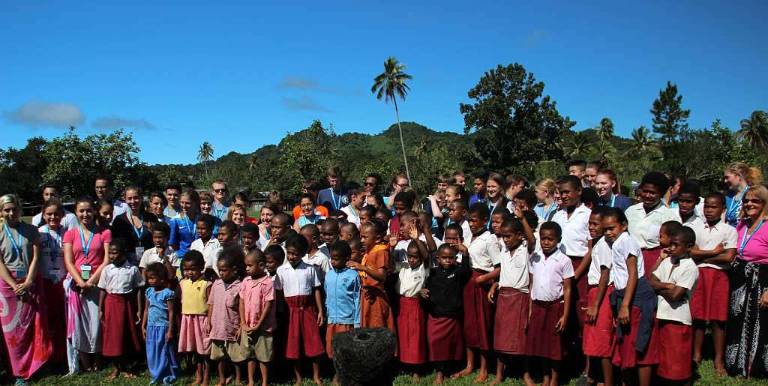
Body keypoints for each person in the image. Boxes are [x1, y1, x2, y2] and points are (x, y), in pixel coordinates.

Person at [603, 208, 658, 386]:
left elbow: (632, 273)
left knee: (637, 344)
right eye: (605, 229)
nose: (608, 233)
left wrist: (625, 305)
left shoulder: (626, 241)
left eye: (612, 228)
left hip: (635, 297)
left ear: (624, 226)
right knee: (626, 344)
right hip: (625, 295)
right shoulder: (617, 243)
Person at [0, 194, 51, 384]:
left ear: (20, 209)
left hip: (30, 282)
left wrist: (29, 281)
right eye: (7, 210)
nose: (11, 213)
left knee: (30, 327)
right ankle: (18, 371)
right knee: (12, 332)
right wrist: (14, 285)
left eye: (14, 209)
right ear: (1, 212)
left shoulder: (31, 230)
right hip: (8, 287)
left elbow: (36, 257)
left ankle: (34, 365)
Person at [687, 193, 736, 374]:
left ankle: (718, 359)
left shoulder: (729, 230)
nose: (709, 210)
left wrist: (703, 253)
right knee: (698, 316)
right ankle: (696, 355)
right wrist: (715, 252)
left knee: (718, 319)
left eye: (713, 207)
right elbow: (690, 251)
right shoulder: (695, 227)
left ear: (723, 209)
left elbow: (729, 257)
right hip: (699, 274)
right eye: (706, 206)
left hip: (719, 276)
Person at [63, 196, 111, 373]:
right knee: (79, 324)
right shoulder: (70, 233)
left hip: (97, 283)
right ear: (75, 212)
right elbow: (69, 261)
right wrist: (80, 282)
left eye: (89, 210)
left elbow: (106, 259)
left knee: (97, 323)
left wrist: (90, 281)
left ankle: (98, 360)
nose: (85, 214)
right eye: (81, 210)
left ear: (94, 211)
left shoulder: (104, 233)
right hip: (76, 284)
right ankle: (85, 362)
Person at [487, 215, 536, 386]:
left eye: (509, 236)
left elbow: (532, 240)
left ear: (519, 235)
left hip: (520, 298)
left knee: (522, 339)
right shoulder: (504, 250)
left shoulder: (525, 249)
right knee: (501, 338)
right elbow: (504, 273)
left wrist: (523, 219)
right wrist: (495, 285)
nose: (506, 240)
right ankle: (500, 374)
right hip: (504, 298)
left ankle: (525, 374)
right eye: (503, 236)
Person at [726, 185, 768, 377]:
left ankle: (756, 367)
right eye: (746, 200)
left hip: (762, 280)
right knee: (738, 321)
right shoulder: (742, 224)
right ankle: (736, 365)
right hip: (741, 278)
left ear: (764, 203)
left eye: (755, 200)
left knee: (760, 324)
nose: (749, 204)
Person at [455, 203, 500, 382]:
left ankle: (484, 368)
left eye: (475, 220)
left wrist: (484, 278)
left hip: (481, 283)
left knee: (482, 325)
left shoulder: (490, 239)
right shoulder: (468, 235)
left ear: (484, 220)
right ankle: (469, 364)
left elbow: (499, 267)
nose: (471, 224)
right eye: (469, 220)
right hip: (467, 282)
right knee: (469, 325)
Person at [526, 222, 574, 386]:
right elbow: (532, 284)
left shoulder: (564, 260)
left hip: (555, 307)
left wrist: (565, 315)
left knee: (555, 346)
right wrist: (530, 309)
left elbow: (567, 289)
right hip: (538, 306)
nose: (546, 242)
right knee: (541, 345)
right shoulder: (535, 257)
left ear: (558, 240)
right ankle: (545, 376)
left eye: (550, 239)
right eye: (543, 239)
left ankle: (554, 379)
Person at [649, 226, 699, 383]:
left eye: (675, 245)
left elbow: (676, 296)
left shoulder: (690, 267)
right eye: (670, 244)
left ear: (689, 247)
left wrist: (660, 288)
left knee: (677, 359)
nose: (670, 248)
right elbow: (651, 281)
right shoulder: (668, 262)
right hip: (662, 315)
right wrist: (667, 286)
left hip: (678, 318)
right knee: (664, 356)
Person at [274, 235, 324, 385]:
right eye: (289, 253)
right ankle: (298, 377)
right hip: (291, 311)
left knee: (314, 342)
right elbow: (279, 293)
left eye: (295, 254)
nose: (291, 256)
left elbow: (316, 290)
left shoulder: (309, 269)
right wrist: (280, 313)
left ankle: (316, 375)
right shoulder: (281, 270)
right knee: (293, 344)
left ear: (303, 254)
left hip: (308, 309)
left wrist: (320, 311)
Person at [421, 243, 471, 384]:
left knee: (450, 346)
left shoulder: (457, 271)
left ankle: (447, 370)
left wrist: (465, 253)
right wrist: (422, 293)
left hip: (451, 316)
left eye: (451, 258)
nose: (448, 261)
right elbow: (425, 288)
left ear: (455, 258)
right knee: (435, 343)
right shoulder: (433, 273)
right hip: (436, 315)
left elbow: (466, 272)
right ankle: (439, 372)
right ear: (438, 259)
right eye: (444, 258)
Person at [551, 175, 591, 341]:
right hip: (559, 264)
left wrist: (575, 275)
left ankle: (587, 363)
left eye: (568, 192)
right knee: (560, 309)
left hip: (579, 265)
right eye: (561, 192)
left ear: (579, 191)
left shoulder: (587, 214)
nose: (564, 196)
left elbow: (590, 249)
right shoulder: (557, 215)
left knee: (580, 311)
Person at [97, 238, 143, 379]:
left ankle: (126, 367)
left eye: (115, 253)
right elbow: (103, 290)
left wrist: (139, 309)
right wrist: (100, 308)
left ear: (123, 253)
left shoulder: (132, 269)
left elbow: (139, 289)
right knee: (113, 337)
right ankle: (116, 367)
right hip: (111, 304)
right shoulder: (107, 270)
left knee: (125, 336)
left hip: (126, 304)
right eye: (109, 253)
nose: (111, 256)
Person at [626, 172, 681, 278]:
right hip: (629, 260)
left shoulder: (669, 216)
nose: (647, 195)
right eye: (645, 191)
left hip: (654, 262)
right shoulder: (630, 211)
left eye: (652, 193)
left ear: (661, 193)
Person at [582, 207, 615, 386]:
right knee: (594, 339)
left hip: (601, 293)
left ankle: (607, 381)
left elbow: (605, 274)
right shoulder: (597, 243)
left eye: (596, 224)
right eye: (590, 223)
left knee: (602, 341)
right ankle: (595, 377)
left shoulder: (604, 245)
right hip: (595, 291)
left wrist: (595, 304)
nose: (591, 227)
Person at [347, 220, 395, 333]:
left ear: (377, 238)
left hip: (377, 296)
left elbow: (382, 276)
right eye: (361, 237)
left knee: (377, 327)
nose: (362, 240)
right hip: (367, 295)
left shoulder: (381, 251)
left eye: (365, 237)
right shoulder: (369, 251)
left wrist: (363, 268)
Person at [324, 240, 361, 384]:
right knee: (332, 349)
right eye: (332, 258)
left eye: (337, 259)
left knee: (346, 350)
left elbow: (357, 299)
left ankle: (344, 375)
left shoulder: (353, 275)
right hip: (332, 319)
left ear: (347, 258)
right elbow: (327, 295)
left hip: (347, 320)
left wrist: (356, 322)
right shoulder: (329, 275)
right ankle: (337, 373)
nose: (333, 261)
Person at [208, 247, 246, 385]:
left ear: (234, 270)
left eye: (224, 270)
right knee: (219, 356)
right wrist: (208, 321)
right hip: (217, 326)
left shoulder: (240, 286)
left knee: (236, 356)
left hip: (232, 326)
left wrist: (241, 325)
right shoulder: (216, 284)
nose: (221, 273)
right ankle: (222, 378)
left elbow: (242, 308)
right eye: (219, 270)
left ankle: (237, 378)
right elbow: (211, 303)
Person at [38, 199, 68, 365]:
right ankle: (47, 355)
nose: (53, 217)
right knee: (47, 320)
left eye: (56, 214)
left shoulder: (68, 232)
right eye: (49, 214)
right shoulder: (38, 233)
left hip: (62, 280)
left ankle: (62, 354)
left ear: (62, 215)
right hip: (45, 280)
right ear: (43, 215)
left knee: (62, 319)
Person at [240, 250, 275, 386]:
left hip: (263, 327)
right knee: (250, 355)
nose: (247, 269)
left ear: (261, 265)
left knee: (263, 356)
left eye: (250, 265)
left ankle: (265, 382)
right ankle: (251, 381)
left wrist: (258, 325)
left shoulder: (267, 283)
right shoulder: (246, 281)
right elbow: (242, 302)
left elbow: (268, 305)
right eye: (246, 266)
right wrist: (243, 323)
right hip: (248, 326)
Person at [176, 251, 211, 385]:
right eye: (186, 269)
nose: (189, 272)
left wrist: (209, 320)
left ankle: (206, 377)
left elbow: (210, 303)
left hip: (202, 320)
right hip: (188, 320)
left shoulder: (206, 284)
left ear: (201, 267)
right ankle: (198, 377)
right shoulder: (182, 283)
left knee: (204, 351)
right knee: (195, 351)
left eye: (193, 269)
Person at [395, 240, 429, 374]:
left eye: (415, 257)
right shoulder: (403, 266)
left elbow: (427, 257)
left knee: (416, 337)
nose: (412, 260)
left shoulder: (424, 269)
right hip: (402, 303)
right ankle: (405, 365)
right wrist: (391, 247)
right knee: (403, 335)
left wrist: (416, 239)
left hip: (416, 304)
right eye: (409, 256)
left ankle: (417, 369)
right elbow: (390, 265)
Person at [143, 262, 179, 384]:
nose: (150, 281)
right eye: (149, 278)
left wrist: (170, 330)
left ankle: (167, 374)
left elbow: (171, 312)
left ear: (161, 278)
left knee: (164, 351)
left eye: (153, 278)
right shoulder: (149, 292)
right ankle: (155, 374)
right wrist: (143, 325)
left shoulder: (167, 293)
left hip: (163, 327)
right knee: (152, 351)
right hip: (151, 327)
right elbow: (146, 310)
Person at [110, 186, 157, 263]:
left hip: (149, 261)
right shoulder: (119, 220)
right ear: (125, 199)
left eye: (136, 198)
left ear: (141, 198)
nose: (133, 201)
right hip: (127, 263)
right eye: (129, 198)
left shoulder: (151, 218)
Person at [723, 162, 763, 226]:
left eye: (727, 177)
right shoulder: (728, 197)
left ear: (739, 176)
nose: (725, 181)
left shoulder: (753, 194)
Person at [169, 189, 201, 259]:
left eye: (187, 203)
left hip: (200, 256)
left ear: (195, 203)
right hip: (182, 257)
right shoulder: (175, 220)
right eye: (182, 202)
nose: (184, 206)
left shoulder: (201, 219)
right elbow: (172, 243)